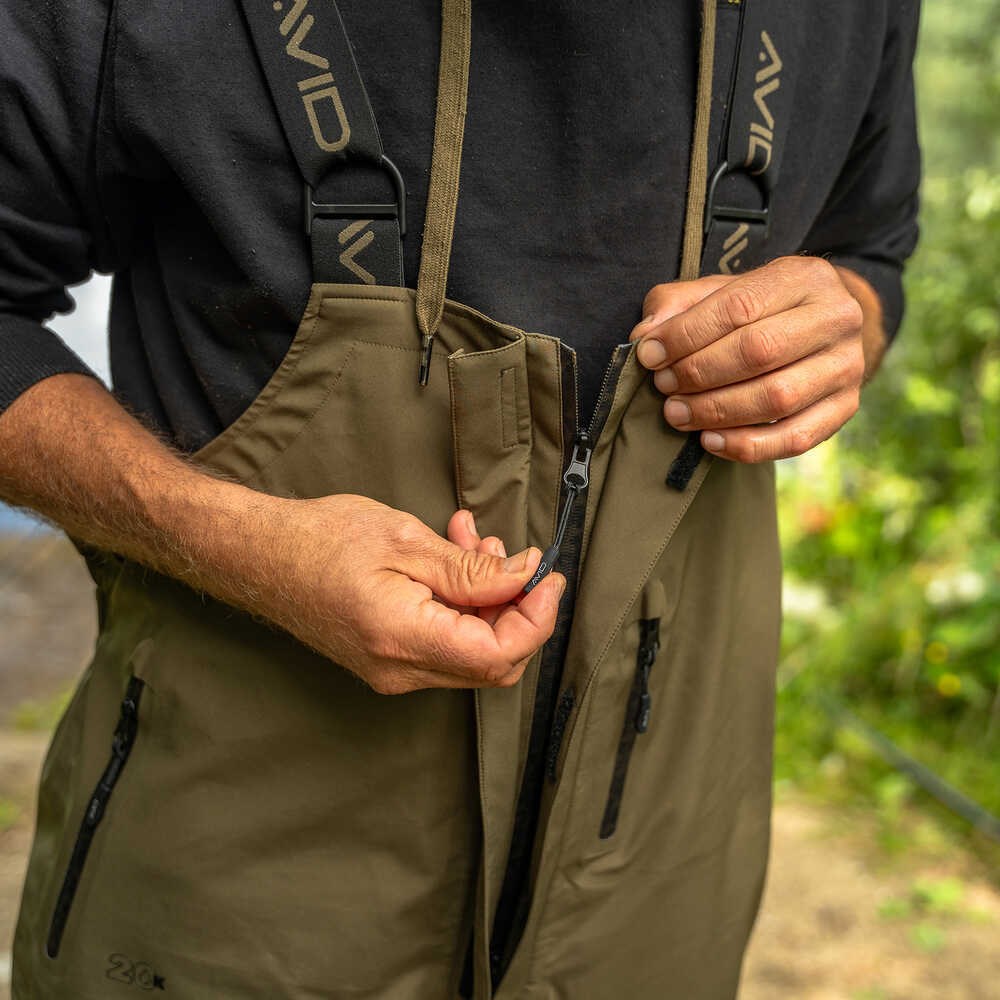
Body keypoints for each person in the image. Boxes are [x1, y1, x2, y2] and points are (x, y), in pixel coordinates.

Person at [1, 0, 920, 996]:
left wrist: (845, 323)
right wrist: (233, 541)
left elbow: (868, 252)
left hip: (666, 883)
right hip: (229, 912)